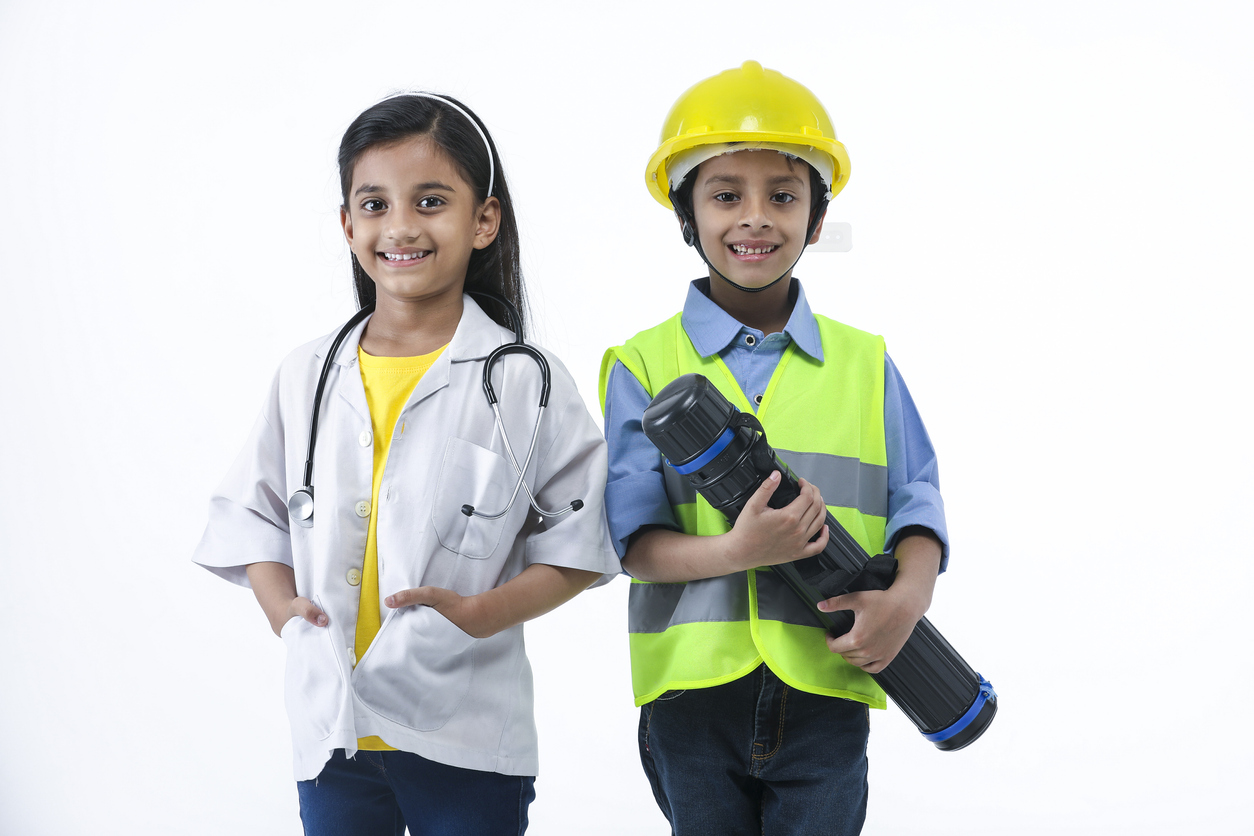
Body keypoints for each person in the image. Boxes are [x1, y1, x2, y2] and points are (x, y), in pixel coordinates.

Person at [194, 92, 619, 836]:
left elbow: (583, 540)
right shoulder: (307, 374)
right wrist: (280, 608)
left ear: (483, 220)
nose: (400, 227)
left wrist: (485, 614)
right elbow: (250, 513)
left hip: (466, 731)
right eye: (375, 204)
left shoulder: (524, 379)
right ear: (347, 224)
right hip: (333, 730)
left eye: (430, 201)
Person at [600, 61, 950, 835]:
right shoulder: (642, 364)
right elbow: (634, 542)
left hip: (827, 684)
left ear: (817, 220)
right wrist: (739, 551)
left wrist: (908, 600)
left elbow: (917, 502)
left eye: (783, 196)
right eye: (726, 195)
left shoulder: (864, 363)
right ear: (686, 214)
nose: (755, 218)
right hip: (692, 697)